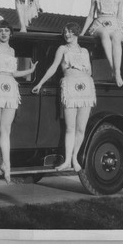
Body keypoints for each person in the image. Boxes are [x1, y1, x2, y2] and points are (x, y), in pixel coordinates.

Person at [32, 22, 96, 172]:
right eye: (65, 32)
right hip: (69, 86)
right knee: (70, 127)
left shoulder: (85, 51)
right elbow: (54, 67)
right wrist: (40, 83)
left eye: (70, 32)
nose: (67, 34)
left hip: (86, 88)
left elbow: (89, 72)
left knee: (81, 128)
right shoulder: (62, 49)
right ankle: (67, 160)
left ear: (76, 33)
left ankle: (75, 158)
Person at [0, 19, 37, 183]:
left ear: (11, 33)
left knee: (6, 129)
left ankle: (7, 166)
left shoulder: (12, 51)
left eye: (6, 30)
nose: (3, 33)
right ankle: (0, 163)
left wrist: (30, 70)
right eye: (0, 30)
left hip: (10, 89)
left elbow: (12, 73)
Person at [80, 0, 123, 87]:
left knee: (116, 36)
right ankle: (114, 70)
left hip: (114, 24)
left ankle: (117, 71)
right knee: (104, 32)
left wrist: (122, 31)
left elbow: (120, 16)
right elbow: (90, 16)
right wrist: (82, 32)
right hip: (99, 24)